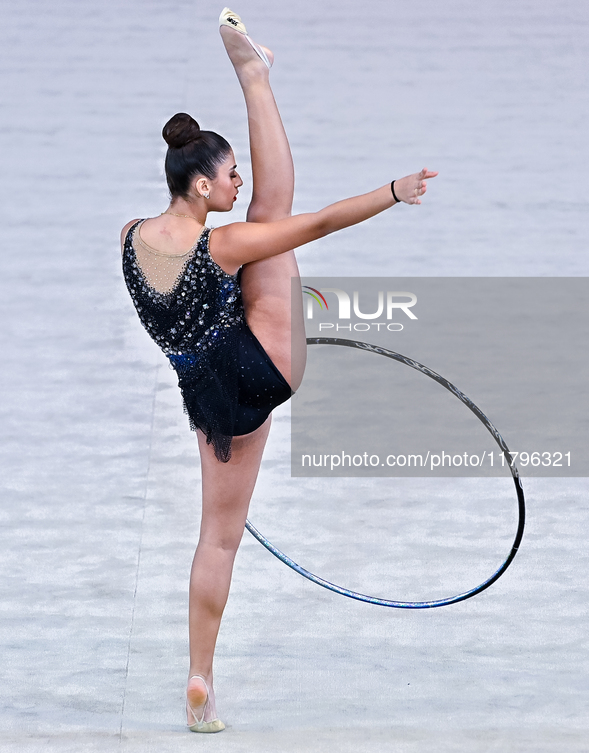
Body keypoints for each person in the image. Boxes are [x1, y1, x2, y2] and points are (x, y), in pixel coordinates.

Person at [120, 7, 437, 734]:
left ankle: (200, 678)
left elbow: (181, 303)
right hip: (264, 365)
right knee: (277, 212)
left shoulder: (129, 237)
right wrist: (391, 191)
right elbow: (318, 222)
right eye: (229, 174)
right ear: (199, 185)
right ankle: (254, 75)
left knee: (216, 537)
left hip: (206, 398)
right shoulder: (223, 245)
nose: (237, 181)